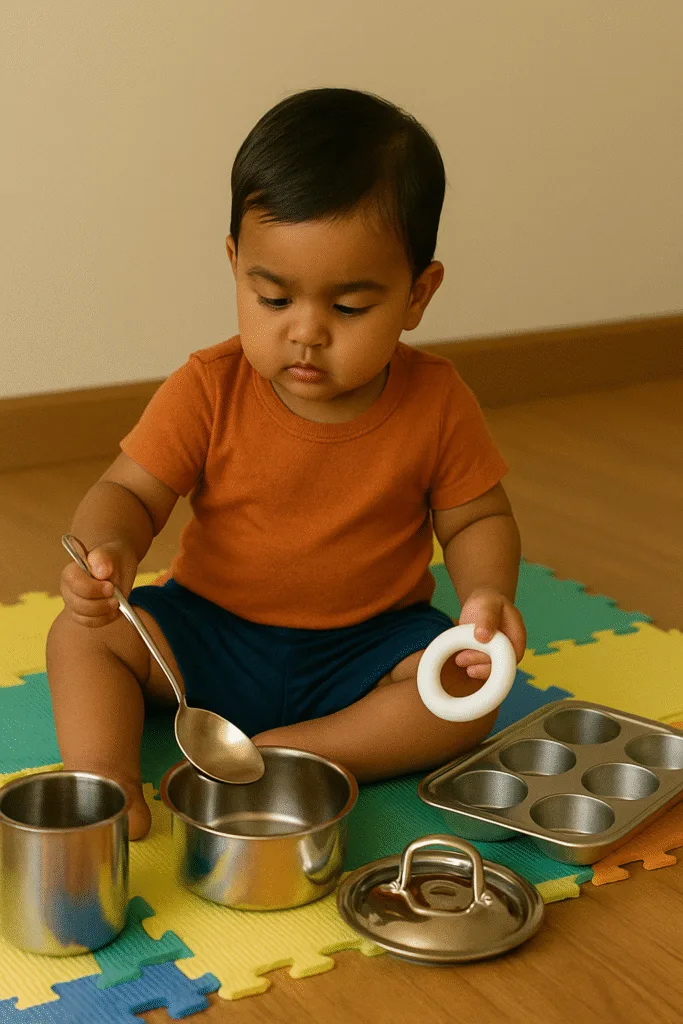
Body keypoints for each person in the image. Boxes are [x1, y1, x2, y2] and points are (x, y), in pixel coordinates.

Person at [47, 87, 526, 840]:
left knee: (465, 695)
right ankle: (104, 782)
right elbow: (129, 491)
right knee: (82, 637)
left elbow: (477, 519)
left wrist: (487, 596)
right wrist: (109, 551)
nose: (306, 332)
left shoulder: (437, 400)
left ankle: (293, 752)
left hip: (368, 645)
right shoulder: (208, 387)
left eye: (349, 308)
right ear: (235, 265)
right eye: (272, 298)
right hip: (207, 634)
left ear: (417, 294)